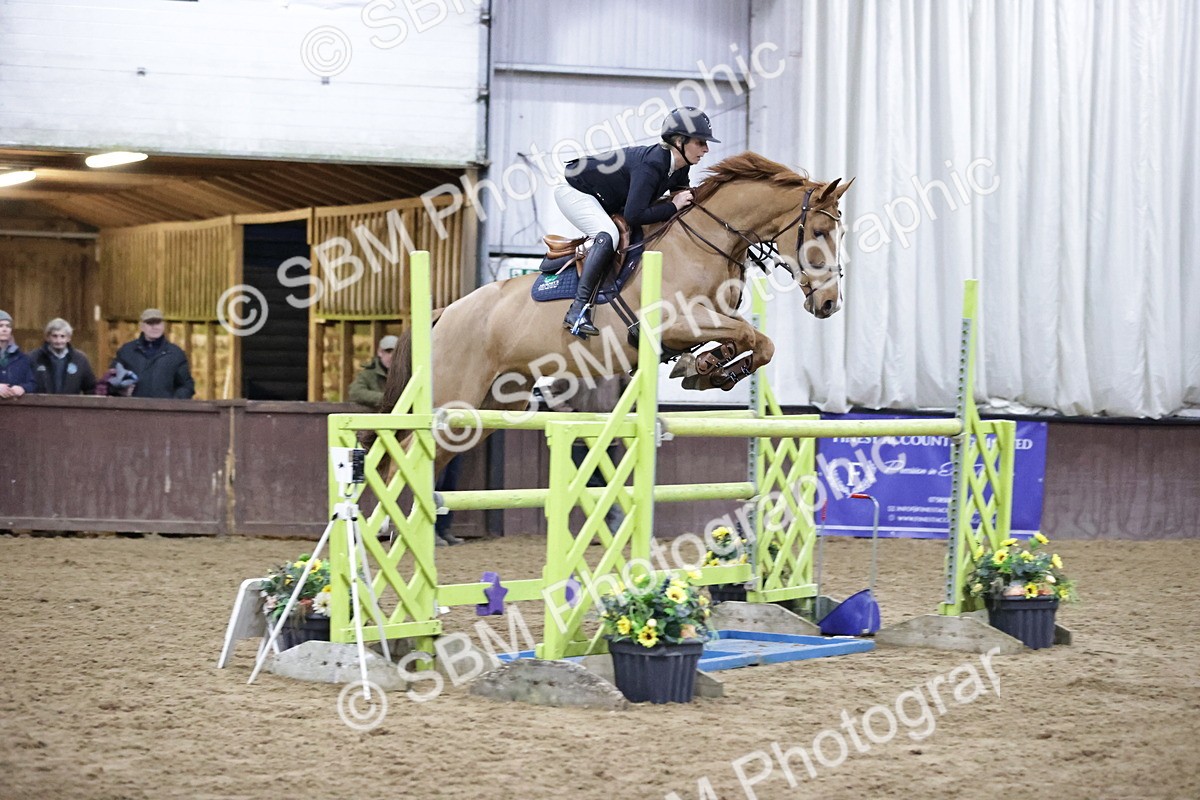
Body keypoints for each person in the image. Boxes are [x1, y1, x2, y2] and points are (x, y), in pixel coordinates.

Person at [554, 106, 719, 338]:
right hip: (575, 190)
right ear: (680, 140)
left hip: (605, 195)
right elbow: (635, 215)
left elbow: (684, 199)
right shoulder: (651, 165)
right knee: (609, 234)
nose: (706, 149)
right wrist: (673, 205)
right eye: (700, 142)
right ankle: (578, 310)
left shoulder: (681, 166)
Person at [112, 308, 195, 399]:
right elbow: (111, 380)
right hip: (133, 410)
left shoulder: (175, 354)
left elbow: (187, 386)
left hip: (164, 411)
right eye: (150, 323)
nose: (154, 327)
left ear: (163, 325)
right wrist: (121, 391)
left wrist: (173, 402)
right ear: (141, 326)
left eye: (158, 323)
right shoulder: (127, 351)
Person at [31, 318, 97, 395]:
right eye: (54, 336)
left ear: (69, 338)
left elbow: (90, 388)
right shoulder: (34, 358)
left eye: (62, 336)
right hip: (41, 405)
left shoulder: (80, 360)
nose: (58, 341)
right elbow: (25, 384)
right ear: (47, 337)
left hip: (70, 405)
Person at [349, 334, 397, 409]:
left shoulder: (405, 373)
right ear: (380, 352)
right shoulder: (368, 374)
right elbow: (355, 392)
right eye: (388, 351)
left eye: (395, 352)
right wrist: (386, 398)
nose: (391, 356)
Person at [0, 309, 36, 400]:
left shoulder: (22, 358)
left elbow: (32, 383)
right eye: (0, 326)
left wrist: (22, 388)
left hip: (15, 409)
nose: (4, 329)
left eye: (8, 326)